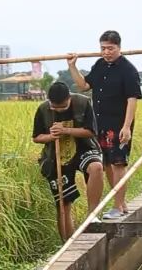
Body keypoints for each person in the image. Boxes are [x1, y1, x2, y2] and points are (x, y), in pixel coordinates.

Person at [66, 30, 142, 220]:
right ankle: (121, 203)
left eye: (110, 48)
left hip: (118, 124)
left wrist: (126, 126)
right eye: (103, 48)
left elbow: (132, 99)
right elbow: (84, 86)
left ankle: (117, 206)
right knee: (107, 162)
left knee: (118, 162)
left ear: (119, 48)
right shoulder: (99, 65)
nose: (106, 52)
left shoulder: (128, 69)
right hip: (99, 123)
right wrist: (72, 67)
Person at [32, 82, 105, 239]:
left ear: (69, 99)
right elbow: (37, 137)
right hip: (56, 156)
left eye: (62, 107)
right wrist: (51, 136)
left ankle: (92, 214)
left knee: (96, 167)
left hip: (83, 148)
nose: (58, 110)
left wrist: (66, 130)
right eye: (54, 107)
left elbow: (91, 132)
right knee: (63, 204)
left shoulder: (83, 103)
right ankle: (68, 242)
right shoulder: (43, 109)